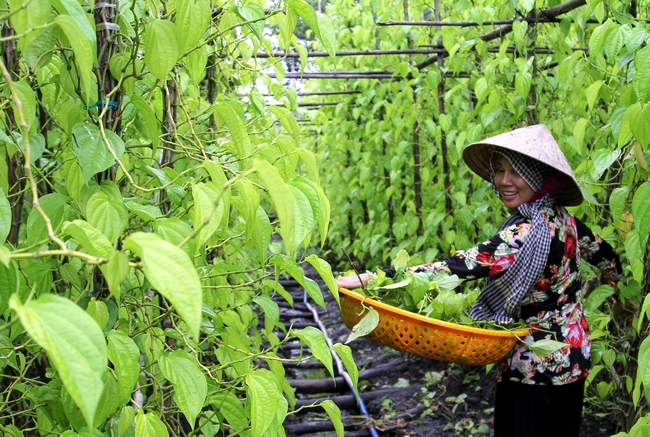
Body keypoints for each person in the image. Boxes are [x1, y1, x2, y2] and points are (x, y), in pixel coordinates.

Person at [337, 124, 623, 437]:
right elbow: (609, 258)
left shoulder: (524, 234)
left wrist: (374, 279)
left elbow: (456, 267)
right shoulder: (564, 220)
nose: (504, 181)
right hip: (573, 358)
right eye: (499, 170)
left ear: (539, 176)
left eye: (517, 172)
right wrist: (617, 293)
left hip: (530, 366)